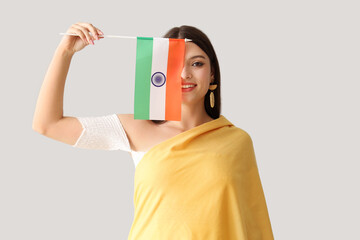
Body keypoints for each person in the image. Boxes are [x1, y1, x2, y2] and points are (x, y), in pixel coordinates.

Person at [32, 22, 274, 240]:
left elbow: (253, 226)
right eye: (174, 64)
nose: (185, 74)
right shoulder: (135, 128)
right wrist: (64, 53)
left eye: (197, 63)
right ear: (161, 72)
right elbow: (47, 124)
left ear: (212, 74)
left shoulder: (236, 141)